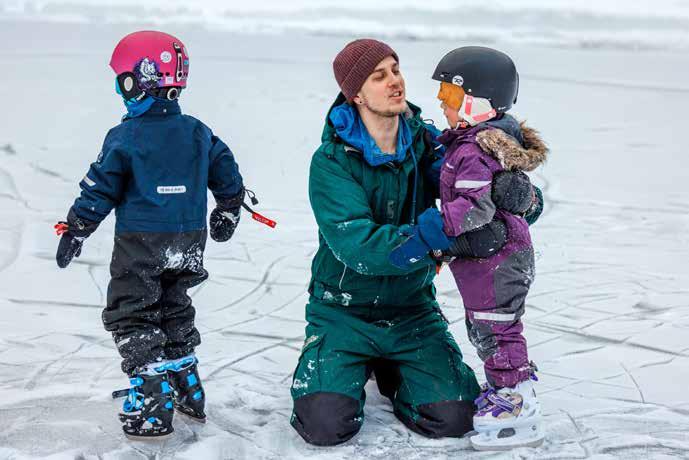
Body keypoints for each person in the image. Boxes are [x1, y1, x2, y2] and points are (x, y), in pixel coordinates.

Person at [290, 38, 540, 446]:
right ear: (356, 95)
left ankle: (393, 367)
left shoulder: (427, 143)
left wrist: (522, 198)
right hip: (342, 311)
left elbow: (476, 189)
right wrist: (443, 244)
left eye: (396, 69)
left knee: (455, 417)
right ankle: (351, 362)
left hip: (411, 311)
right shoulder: (332, 162)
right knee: (324, 425)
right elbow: (359, 247)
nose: (395, 81)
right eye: (378, 76)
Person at [54, 30, 245, 439]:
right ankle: (187, 387)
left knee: (133, 311)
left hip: (139, 243)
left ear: (137, 81)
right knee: (175, 305)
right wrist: (228, 208)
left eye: (121, 81)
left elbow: (99, 188)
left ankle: (152, 402)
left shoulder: (124, 137)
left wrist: (77, 228)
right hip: (188, 240)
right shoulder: (197, 131)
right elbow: (226, 169)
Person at [392, 45, 547, 450]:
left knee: (496, 327)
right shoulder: (468, 142)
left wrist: (427, 233)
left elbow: (473, 208)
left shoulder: (476, 149)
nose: (441, 103)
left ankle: (515, 399)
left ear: (479, 101)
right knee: (486, 326)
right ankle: (508, 385)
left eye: (450, 94)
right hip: (488, 259)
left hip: (499, 260)